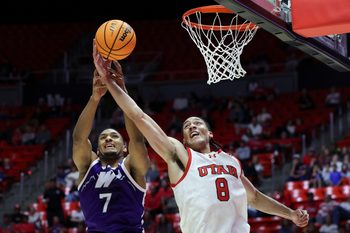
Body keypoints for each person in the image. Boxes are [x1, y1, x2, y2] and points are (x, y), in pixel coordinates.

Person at [93, 41, 309, 233]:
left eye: (197, 123)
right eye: (187, 126)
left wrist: (290, 214)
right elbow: (140, 118)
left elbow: (254, 197)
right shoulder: (180, 155)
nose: (192, 126)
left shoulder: (231, 161)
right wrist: (114, 85)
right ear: (184, 139)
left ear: (210, 133)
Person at [72, 68, 150, 232]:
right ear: (97, 150)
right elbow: (79, 139)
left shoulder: (131, 167)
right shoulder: (88, 167)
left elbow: (137, 139)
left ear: (124, 147)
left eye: (114, 136)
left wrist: (122, 91)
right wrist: (94, 98)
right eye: (103, 137)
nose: (108, 138)